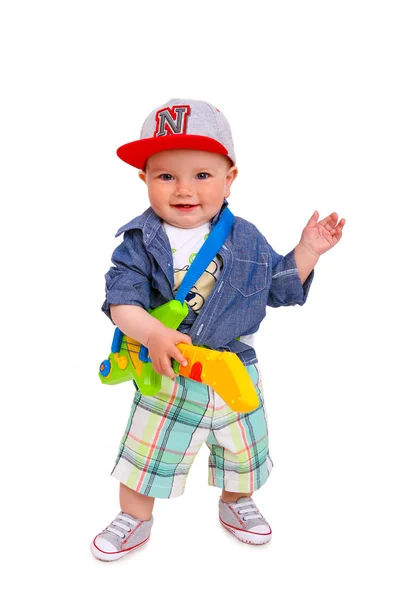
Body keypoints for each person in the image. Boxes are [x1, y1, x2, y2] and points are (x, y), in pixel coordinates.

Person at [90, 98, 345, 561]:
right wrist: (152, 334)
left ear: (230, 178)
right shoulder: (138, 241)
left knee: (243, 450)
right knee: (146, 456)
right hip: (169, 370)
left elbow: (280, 288)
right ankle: (134, 516)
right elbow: (121, 301)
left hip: (234, 368)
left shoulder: (245, 237)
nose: (184, 189)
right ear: (144, 179)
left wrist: (307, 251)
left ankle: (236, 502)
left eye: (202, 175)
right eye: (166, 175)